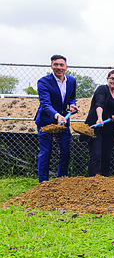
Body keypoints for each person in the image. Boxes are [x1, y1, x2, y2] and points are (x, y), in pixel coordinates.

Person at [34, 54, 79, 183]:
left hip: (63, 122)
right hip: (46, 121)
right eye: (56, 65)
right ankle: (43, 183)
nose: (59, 67)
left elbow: (72, 97)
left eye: (61, 65)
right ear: (51, 66)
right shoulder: (43, 82)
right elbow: (45, 104)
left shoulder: (71, 81)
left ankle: (61, 180)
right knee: (46, 152)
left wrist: (72, 105)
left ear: (66, 67)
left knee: (65, 151)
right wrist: (57, 115)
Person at [84, 70, 114, 177]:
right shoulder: (102, 89)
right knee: (96, 155)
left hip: (109, 130)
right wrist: (99, 118)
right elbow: (99, 103)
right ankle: (92, 180)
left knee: (107, 157)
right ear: (107, 79)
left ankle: (104, 180)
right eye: (112, 79)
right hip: (96, 127)